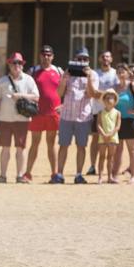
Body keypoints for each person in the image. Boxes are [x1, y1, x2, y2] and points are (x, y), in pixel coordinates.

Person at [0, 52, 39, 183]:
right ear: (9, 65)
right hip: (4, 119)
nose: (16, 65)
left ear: (22, 65)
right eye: (13, 63)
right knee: (5, 148)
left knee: (20, 148)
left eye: (19, 63)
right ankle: (2, 176)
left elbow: (36, 97)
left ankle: (19, 175)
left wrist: (21, 95)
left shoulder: (29, 80)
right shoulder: (2, 81)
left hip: (22, 119)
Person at [52, 48, 98, 184]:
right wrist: (64, 79)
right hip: (66, 116)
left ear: (89, 61)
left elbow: (92, 94)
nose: (82, 62)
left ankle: (78, 174)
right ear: (75, 60)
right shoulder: (68, 73)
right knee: (63, 145)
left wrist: (88, 78)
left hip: (83, 117)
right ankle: (60, 174)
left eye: (85, 59)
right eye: (79, 59)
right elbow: (59, 93)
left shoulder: (93, 74)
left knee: (81, 146)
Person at [24, 45, 62, 182]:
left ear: (52, 56)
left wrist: (63, 105)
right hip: (37, 113)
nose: (46, 57)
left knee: (51, 143)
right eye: (44, 54)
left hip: (53, 113)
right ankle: (27, 173)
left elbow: (67, 89)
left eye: (48, 54)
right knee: (35, 142)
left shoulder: (58, 71)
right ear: (40, 56)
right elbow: (24, 86)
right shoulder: (33, 71)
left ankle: (54, 173)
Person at [112, 64, 134, 184]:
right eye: (119, 72)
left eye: (123, 72)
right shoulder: (115, 88)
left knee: (132, 150)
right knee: (118, 150)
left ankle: (133, 176)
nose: (121, 74)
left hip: (131, 120)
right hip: (118, 121)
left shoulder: (132, 85)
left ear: (127, 73)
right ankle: (115, 175)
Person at [86, 51, 118, 176]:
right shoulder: (95, 73)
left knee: (113, 140)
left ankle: (111, 168)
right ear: (100, 59)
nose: (105, 58)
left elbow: (117, 92)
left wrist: (100, 93)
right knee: (95, 138)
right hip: (97, 110)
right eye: (103, 56)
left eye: (108, 56)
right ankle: (93, 166)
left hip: (112, 112)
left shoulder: (115, 73)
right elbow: (92, 92)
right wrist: (107, 95)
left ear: (111, 59)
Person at [96, 89, 121, 184]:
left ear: (115, 101)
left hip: (113, 137)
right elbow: (98, 124)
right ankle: (100, 177)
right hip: (102, 137)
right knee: (102, 156)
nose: (109, 100)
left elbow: (117, 126)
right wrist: (103, 134)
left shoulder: (117, 113)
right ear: (103, 100)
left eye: (111, 98)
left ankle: (110, 177)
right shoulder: (100, 112)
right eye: (107, 98)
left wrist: (110, 134)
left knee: (111, 157)